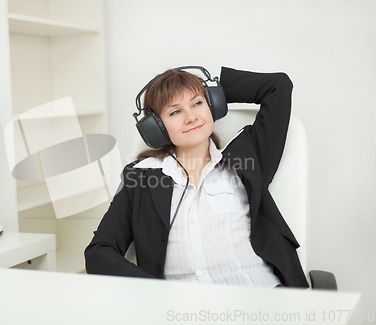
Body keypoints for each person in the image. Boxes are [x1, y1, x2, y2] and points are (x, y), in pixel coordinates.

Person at [85, 66, 309, 288]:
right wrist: (153, 292)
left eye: (197, 103)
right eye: (175, 112)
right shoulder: (140, 178)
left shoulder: (248, 157)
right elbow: (98, 252)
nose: (191, 117)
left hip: (261, 300)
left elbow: (278, 86)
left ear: (212, 105)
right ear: (157, 128)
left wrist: (214, 91)